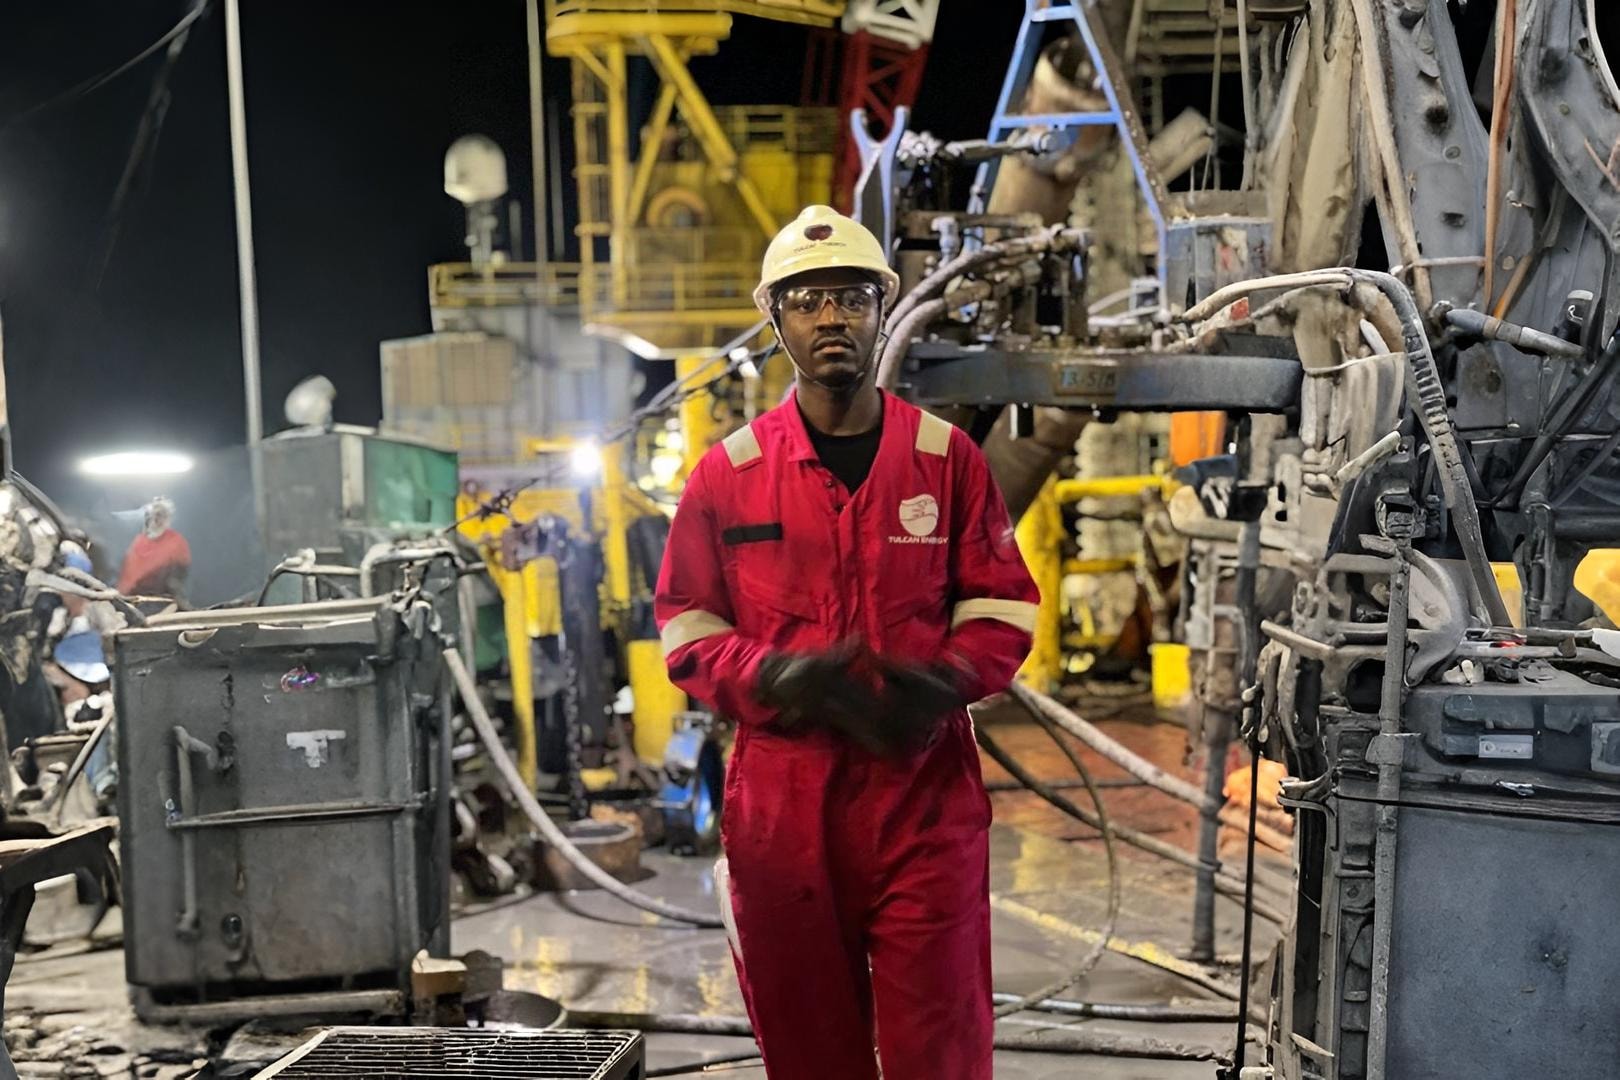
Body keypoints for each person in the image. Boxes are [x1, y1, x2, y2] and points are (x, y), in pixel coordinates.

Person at [654, 205, 1039, 1080]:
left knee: (939, 1044)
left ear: (882, 310)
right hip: (784, 805)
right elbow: (686, 624)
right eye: (807, 300)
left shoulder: (945, 460)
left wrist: (944, 681)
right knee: (810, 1049)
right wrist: (771, 675)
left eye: (853, 298)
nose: (832, 317)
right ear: (776, 319)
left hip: (922, 796)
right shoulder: (729, 475)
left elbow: (1003, 603)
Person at [117, 496, 190, 600]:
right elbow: (127, 576)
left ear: (168, 517)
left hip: (163, 599)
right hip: (132, 598)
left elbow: (178, 577)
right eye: (154, 514)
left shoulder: (176, 542)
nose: (156, 519)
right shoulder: (138, 542)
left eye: (161, 515)